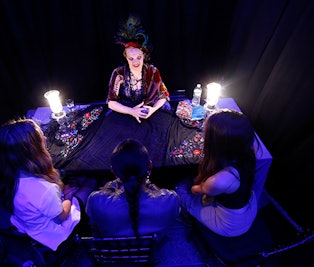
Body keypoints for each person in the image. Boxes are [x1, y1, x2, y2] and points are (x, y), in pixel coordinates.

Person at [0, 118, 96, 264]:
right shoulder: (44, 190)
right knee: (88, 184)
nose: (45, 138)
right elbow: (61, 217)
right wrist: (68, 196)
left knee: (75, 182)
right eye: (41, 136)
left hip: (31, 225)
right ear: (33, 150)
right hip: (54, 233)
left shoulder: (8, 175)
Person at [175, 109, 259, 237]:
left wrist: (195, 184)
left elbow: (195, 190)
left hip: (231, 225)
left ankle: (189, 218)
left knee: (180, 188)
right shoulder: (249, 152)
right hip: (247, 209)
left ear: (217, 144)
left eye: (207, 134)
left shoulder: (219, 180)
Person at [86, 138, 180, 237]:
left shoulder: (96, 201)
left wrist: (114, 184)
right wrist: (150, 185)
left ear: (113, 170)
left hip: (114, 250)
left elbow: (93, 225)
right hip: (158, 250)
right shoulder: (170, 200)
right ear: (150, 166)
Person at [107, 15, 170, 123]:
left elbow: (163, 96)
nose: (135, 62)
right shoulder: (119, 73)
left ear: (144, 56)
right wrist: (131, 111)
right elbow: (111, 102)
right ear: (126, 57)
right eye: (131, 58)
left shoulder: (153, 72)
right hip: (126, 112)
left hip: (149, 111)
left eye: (139, 57)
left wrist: (153, 109)